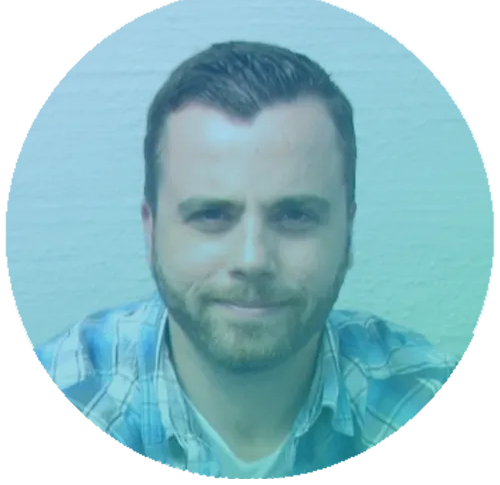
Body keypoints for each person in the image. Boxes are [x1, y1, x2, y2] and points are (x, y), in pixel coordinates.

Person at [32, 40, 457, 480]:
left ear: (347, 232)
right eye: (211, 215)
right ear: (151, 231)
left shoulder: (439, 405)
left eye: (295, 215)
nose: (253, 260)